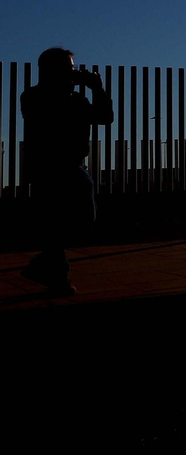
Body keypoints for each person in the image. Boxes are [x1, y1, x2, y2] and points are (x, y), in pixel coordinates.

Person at [20, 47, 113, 296]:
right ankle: (57, 277)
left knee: (83, 220)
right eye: (68, 69)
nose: (73, 73)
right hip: (47, 168)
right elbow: (51, 113)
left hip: (73, 168)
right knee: (54, 223)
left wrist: (97, 89)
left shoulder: (77, 100)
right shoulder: (32, 97)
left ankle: (43, 265)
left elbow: (105, 117)